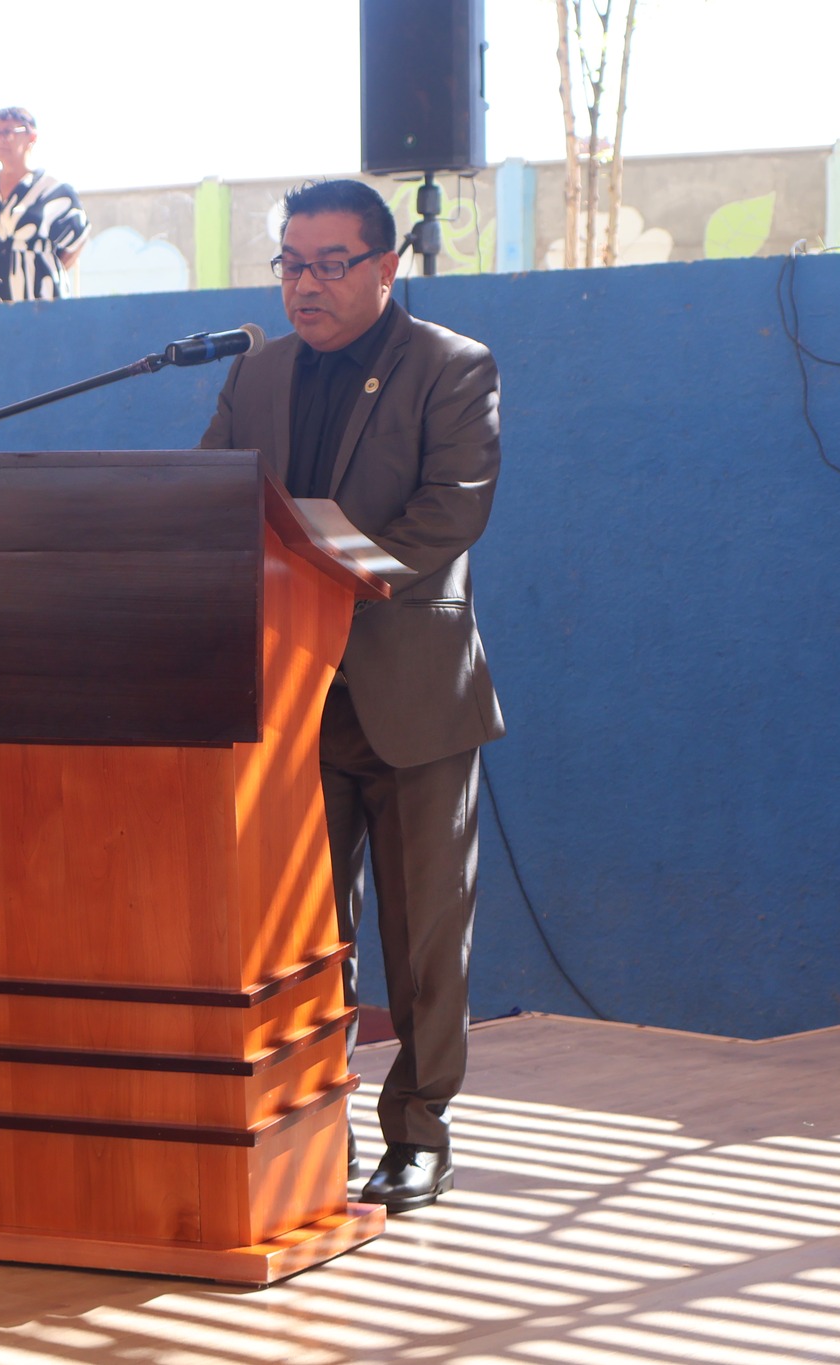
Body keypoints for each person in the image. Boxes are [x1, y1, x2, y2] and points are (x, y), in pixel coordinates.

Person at [200, 178, 506, 1213]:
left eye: (331, 264)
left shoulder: (452, 367)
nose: (306, 284)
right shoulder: (255, 375)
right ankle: (305, 1126)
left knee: (423, 941)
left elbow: (449, 516)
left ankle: (419, 1132)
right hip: (287, 702)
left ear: (386, 266)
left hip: (410, 694)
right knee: (300, 934)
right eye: (291, 263)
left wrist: (327, 584)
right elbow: (211, 497)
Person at [0, 107, 89, 303]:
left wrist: (41, 268)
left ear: (31, 137)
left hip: (41, 302)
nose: (1, 140)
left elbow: (78, 240)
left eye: (9, 132)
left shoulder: (53, 189)